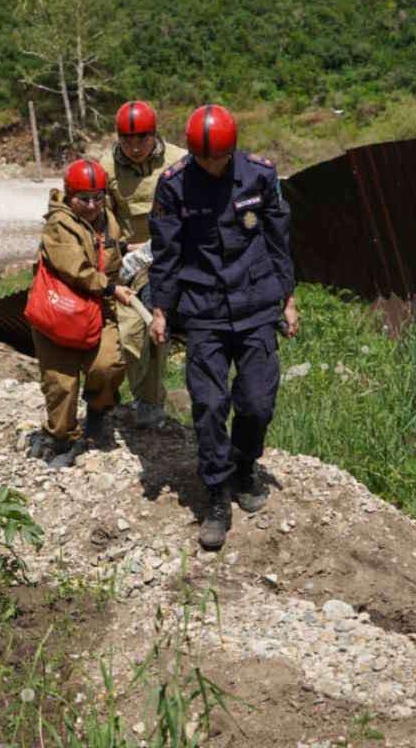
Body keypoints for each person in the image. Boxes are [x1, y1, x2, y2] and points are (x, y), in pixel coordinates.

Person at [147, 104, 299, 550]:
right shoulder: (174, 185)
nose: (212, 166)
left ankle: (244, 466)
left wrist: (287, 298)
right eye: (204, 158)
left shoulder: (258, 175)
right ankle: (216, 493)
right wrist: (160, 310)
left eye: (219, 158)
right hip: (203, 307)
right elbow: (167, 252)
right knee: (210, 404)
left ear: (231, 149)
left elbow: (277, 239)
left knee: (256, 401)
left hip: (255, 303)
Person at [27, 158, 134, 469]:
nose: (91, 205)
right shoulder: (58, 225)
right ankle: (61, 437)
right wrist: (112, 289)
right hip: (59, 314)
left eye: (97, 198)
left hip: (99, 310)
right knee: (61, 383)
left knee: (109, 366)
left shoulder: (108, 219)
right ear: (69, 194)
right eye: (83, 199)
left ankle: (99, 412)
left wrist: (129, 250)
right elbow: (78, 269)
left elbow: (110, 250)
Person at [102, 100, 188, 430]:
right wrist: (122, 251)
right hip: (129, 261)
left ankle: (157, 402)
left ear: (155, 135)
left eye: (143, 139)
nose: (135, 148)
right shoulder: (107, 168)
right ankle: (132, 400)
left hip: (172, 254)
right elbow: (102, 219)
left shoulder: (179, 161)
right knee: (133, 330)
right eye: (127, 140)